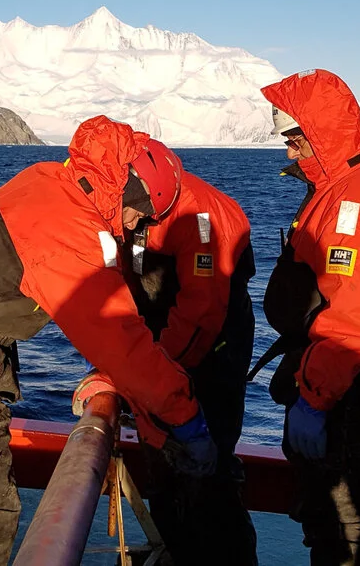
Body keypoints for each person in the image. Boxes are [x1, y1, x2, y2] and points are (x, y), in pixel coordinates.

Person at [0, 115, 219, 566]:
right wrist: (185, 415)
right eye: (140, 212)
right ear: (131, 190)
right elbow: (117, 337)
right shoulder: (68, 232)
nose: (138, 224)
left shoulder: (50, 180)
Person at [255, 68, 360, 565]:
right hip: (343, 374)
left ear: (322, 133)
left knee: (343, 528)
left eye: (295, 140)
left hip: (354, 381)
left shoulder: (359, 198)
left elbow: (358, 316)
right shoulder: (339, 190)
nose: (289, 152)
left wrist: (315, 397)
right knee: (340, 522)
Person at [107, 168, 259, 565]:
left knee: (209, 476)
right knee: (165, 473)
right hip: (160, 351)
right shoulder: (134, 207)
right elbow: (124, 282)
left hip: (210, 358)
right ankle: (175, 549)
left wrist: (153, 374)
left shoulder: (200, 218)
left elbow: (201, 312)